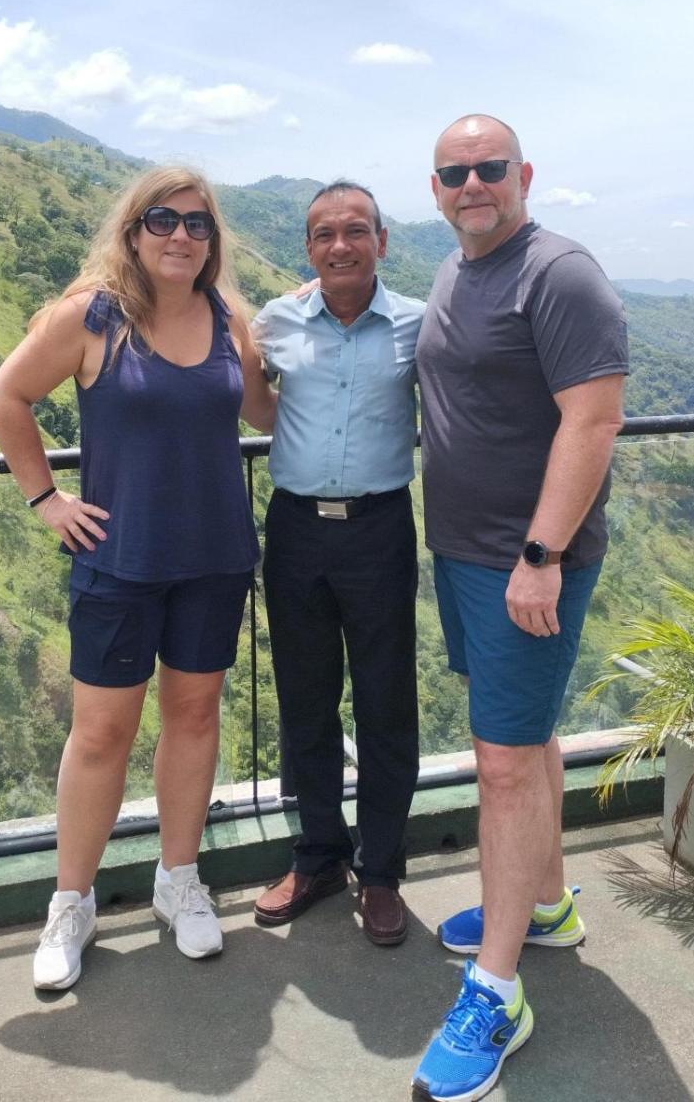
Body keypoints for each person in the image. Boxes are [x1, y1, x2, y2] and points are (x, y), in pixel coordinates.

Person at [0, 166, 274, 990]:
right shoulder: (92, 316)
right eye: (163, 220)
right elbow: (7, 397)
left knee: (194, 716)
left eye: (197, 223)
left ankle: (178, 880)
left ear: (213, 240)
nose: (181, 235)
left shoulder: (229, 321)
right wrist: (46, 499)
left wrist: (322, 337)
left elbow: (266, 413)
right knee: (102, 733)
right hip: (119, 562)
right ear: (134, 231)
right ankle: (71, 903)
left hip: (213, 558)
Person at [410, 116, 628, 1100]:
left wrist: (541, 556)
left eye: (488, 167)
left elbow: (594, 420)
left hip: (525, 562)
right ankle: (544, 906)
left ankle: (497, 992)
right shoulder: (456, 271)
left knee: (499, 766)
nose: (472, 183)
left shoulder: (559, 273)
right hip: (465, 554)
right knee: (523, 736)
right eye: (454, 172)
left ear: (523, 174)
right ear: (436, 188)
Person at [251, 181, 425, 946]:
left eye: (355, 231)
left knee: (385, 702)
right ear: (308, 249)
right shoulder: (280, 320)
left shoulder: (419, 323)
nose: (340, 246)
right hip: (294, 529)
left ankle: (380, 869)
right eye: (324, 234)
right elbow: (252, 390)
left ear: (381, 241)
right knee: (306, 698)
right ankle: (319, 855)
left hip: (379, 529)